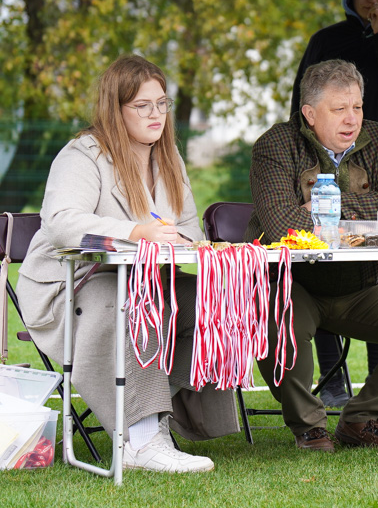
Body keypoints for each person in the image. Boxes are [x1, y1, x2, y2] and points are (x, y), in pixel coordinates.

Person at [16, 55, 239, 473]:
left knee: (212, 302)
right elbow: (62, 223)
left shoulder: (168, 157)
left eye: (162, 103)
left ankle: (152, 409)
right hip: (70, 285)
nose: (156, 114)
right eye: (142, 105)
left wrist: (203, 249)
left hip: (141, 280)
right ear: (114, 109)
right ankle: (141, 443)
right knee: (139, 304)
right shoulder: (83, 154)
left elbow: (188, 231)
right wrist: (136, 231)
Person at [244, 59, 378, 452]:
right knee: (279, 318)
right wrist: (367, 214)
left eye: (357, 107)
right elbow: (282, 224)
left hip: (365, 284)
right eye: (339, 109)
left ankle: (363, 418)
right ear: (309, 114)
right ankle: (308, 426)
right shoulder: (274, 144)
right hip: (293, 285)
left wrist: (326, 210)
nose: (352, 119)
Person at [290, 0, 378, 407]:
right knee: (326, 259)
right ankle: (332, 379)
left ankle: (376, 386)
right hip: (323, 165)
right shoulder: (327, 39)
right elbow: (300, 104)